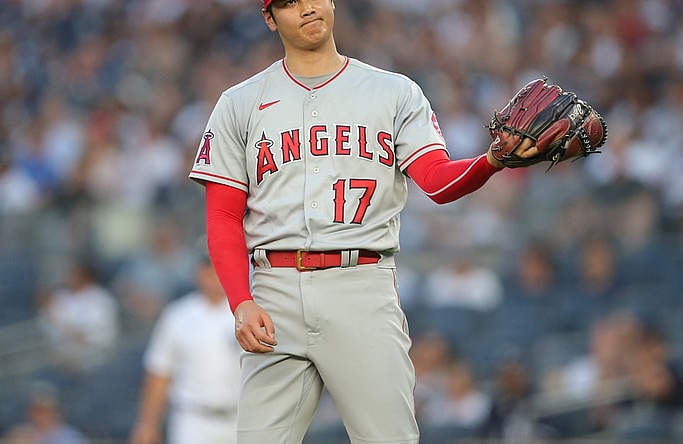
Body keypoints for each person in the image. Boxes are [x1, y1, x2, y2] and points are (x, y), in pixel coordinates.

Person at [187, 1, 542, 442]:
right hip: (273, 293)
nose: (307, 8)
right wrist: (240, 301)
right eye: (288, 2)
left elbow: (437, 181)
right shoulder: (239, 103)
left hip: (361, 285)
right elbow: (222, 216)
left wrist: (491, 160)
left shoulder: (394, 92)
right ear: (269, 18)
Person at [129, 245, 242, 444]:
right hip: (192, 419)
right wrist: (148, 424)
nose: (213, 273)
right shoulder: (177, 315)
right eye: (207, 267)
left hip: (240, 419)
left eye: (219, 266)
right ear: (197, 272)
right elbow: (159, 373)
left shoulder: (246, 311)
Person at [2, 381, 88, 444]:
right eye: (37, 411)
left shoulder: (71, 437)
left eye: (45, 411)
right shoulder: (20, 433)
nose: (41, 416)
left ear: (56, 412)